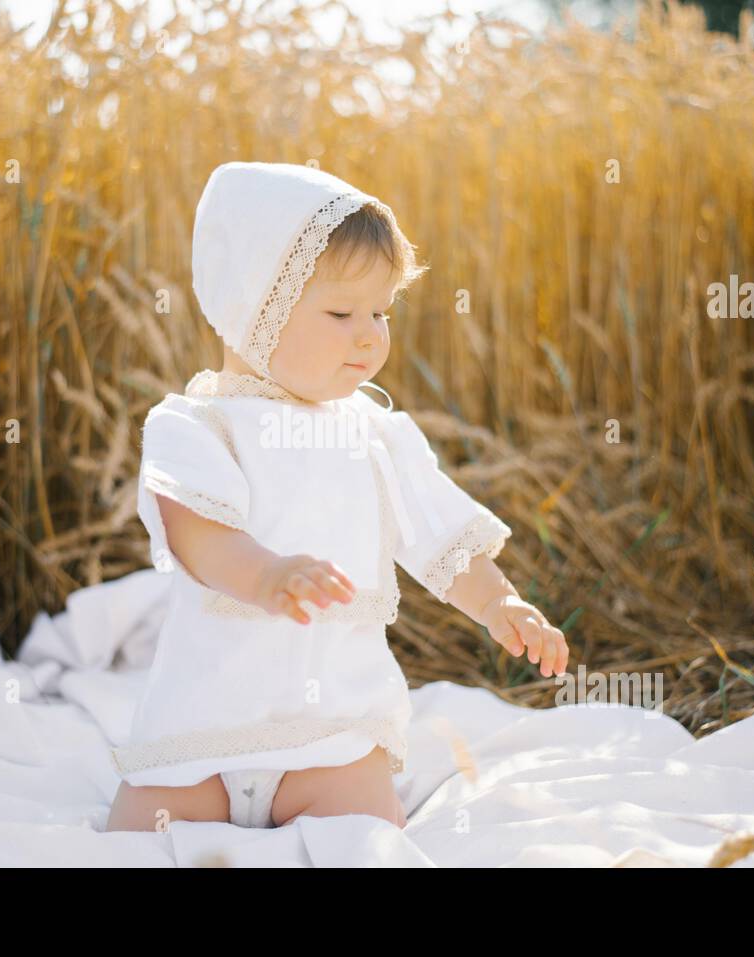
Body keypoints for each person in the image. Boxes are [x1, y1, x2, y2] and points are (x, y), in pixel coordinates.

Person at [104, 161, 568, 832]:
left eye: (381, 311)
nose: (371, 333)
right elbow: (196, 532)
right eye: (342, 312)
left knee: (368, 834)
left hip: (331, 736)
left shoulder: (376, 433)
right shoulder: (198, 424)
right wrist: (267, 574)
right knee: (134, 841)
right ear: (252, 310)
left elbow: (442, 538)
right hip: (199, 737)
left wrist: (500, 601)